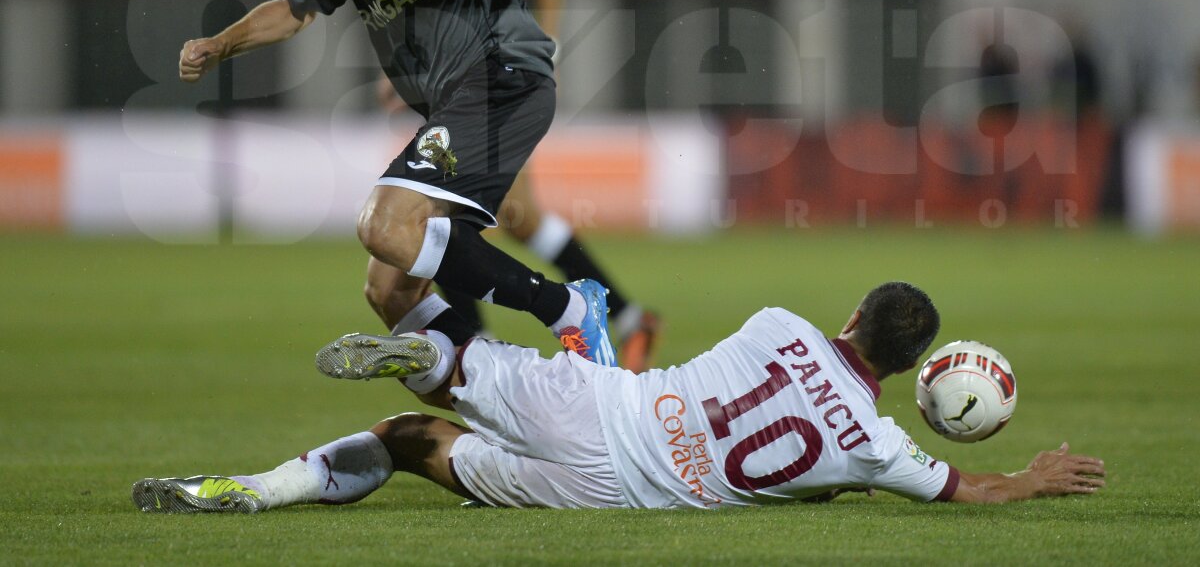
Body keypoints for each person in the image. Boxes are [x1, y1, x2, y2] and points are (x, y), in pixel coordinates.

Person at [177, 0, 613, 365]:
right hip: (455, 102)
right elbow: (296, 9)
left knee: (385, 225)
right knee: (388, 291)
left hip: (500, 75)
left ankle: (568, 309)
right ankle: (500, 384)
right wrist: (219, 43)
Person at [131, 282, 1104, 512]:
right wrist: (1030, 474)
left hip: (605, 408)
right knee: (412, 444)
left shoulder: (777, 323)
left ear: (853, 312)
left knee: (459, 358)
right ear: (920, 371)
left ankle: (424, 353)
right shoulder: (877, 447)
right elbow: (961, 490)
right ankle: (246, 494)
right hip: (612, 491)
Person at [381, 0, 661, 371]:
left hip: (497, 83)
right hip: (457, 88)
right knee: (516, 216)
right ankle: (627, 316)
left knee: (450, 217)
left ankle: (478, 351)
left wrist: (546, 43)